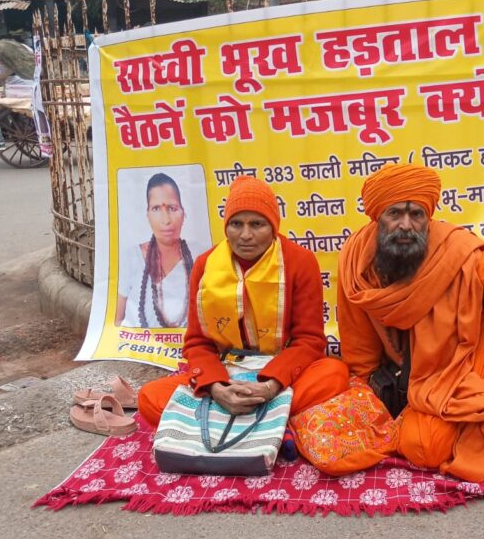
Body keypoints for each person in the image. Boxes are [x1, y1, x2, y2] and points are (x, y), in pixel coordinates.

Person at [337, 164, 484, 483]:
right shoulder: (356, 263)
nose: (406, 225)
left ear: (428, 218)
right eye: (394, 214)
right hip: (413, 383)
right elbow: (359, 349)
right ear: (376, 217)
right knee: (423, 447)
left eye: (416, 215)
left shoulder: (458, 252)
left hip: (464, 366)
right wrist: (369, 405)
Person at [137, 175, 349, 427]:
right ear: (226, 226)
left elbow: (309, 340)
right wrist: (216, 388)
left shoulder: (299, 261)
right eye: (236, 224)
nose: (246, 235)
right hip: (226, 372)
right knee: (149, 397)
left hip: (280, 374)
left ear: (274, 226)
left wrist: (270, 387)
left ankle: (225, 418)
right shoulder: (206, 265)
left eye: (257, 224)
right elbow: (197, 343)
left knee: (333, 374)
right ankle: (269, 418)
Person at [115, 172, 203, 328]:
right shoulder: (131, 257)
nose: (166, 220)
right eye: (156, 208)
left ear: (183, 213)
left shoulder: (201, 256)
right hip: (136, 342)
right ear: (147, 215)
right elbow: (116, 321)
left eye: (172, 208)